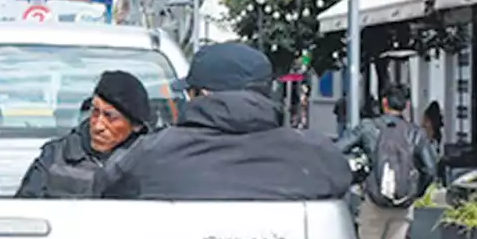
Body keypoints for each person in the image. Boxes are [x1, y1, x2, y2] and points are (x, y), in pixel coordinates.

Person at [92, 42, 352, 201]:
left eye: (189, 92)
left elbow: (106, 187)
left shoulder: (149, 154)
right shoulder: (316, 155)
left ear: (202, 95)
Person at [337, 84, 438, 239]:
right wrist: (416, 193)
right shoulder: (416, 133)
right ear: (407, 105)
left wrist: (357, 168)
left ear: (384, 102)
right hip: (404, 201)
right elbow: (430, 169)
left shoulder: (368, 128)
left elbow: (339, 148)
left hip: (374, 198)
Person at [15, 70, 151, 198]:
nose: (98, 126)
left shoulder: (151, 161)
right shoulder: (55, 156)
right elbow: (24, 210)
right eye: (95, 112)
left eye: (110, 117)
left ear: (136, 125)